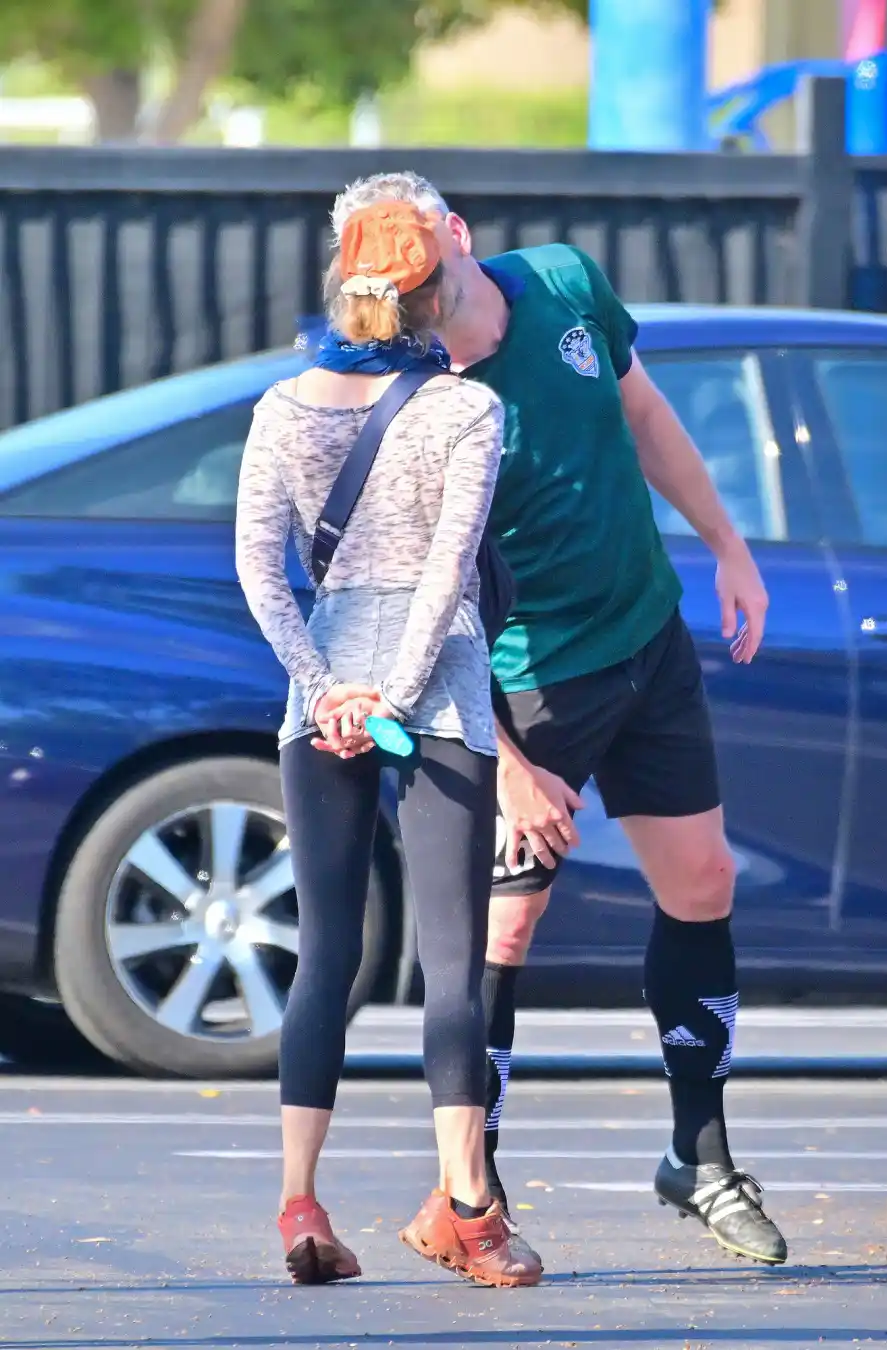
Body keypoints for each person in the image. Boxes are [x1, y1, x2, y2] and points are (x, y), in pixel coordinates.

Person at [326, 173, 788, 1270]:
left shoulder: (567, 282)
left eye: (422, 284)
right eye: (389, 296)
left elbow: (642, 413)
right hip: (519, 683)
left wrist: (727, 544)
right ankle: (468, 1196)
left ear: (458, 238)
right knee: (503, 931)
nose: (414, 310)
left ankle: (699, 1158)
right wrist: (512, 760)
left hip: (645, 639)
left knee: (704, 886)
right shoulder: (407, 391)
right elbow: (412, 603)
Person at [235, 200, 541, 1289]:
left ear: (340, 286)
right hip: (440, 689)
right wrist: (394, 697)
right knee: (453, 960)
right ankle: (469, 1207)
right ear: (427, 294)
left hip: (318, 693)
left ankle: (300, 1203)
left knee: (329, 953)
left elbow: (259, 572)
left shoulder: (280, 406)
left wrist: (328, 692)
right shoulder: (465, 411)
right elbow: (453, 571)